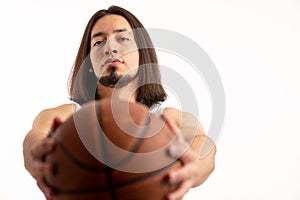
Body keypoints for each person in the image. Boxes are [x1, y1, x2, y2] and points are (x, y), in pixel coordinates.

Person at [23, 5, 216, 200]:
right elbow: (35, 137)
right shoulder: (65, 118)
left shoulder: (167, 120)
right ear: (89, 64)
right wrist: (35, 156)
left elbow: (203, 145)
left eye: (122, 38)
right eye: (98, 42)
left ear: (142, 55)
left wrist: (194, 167)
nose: (110, 48)